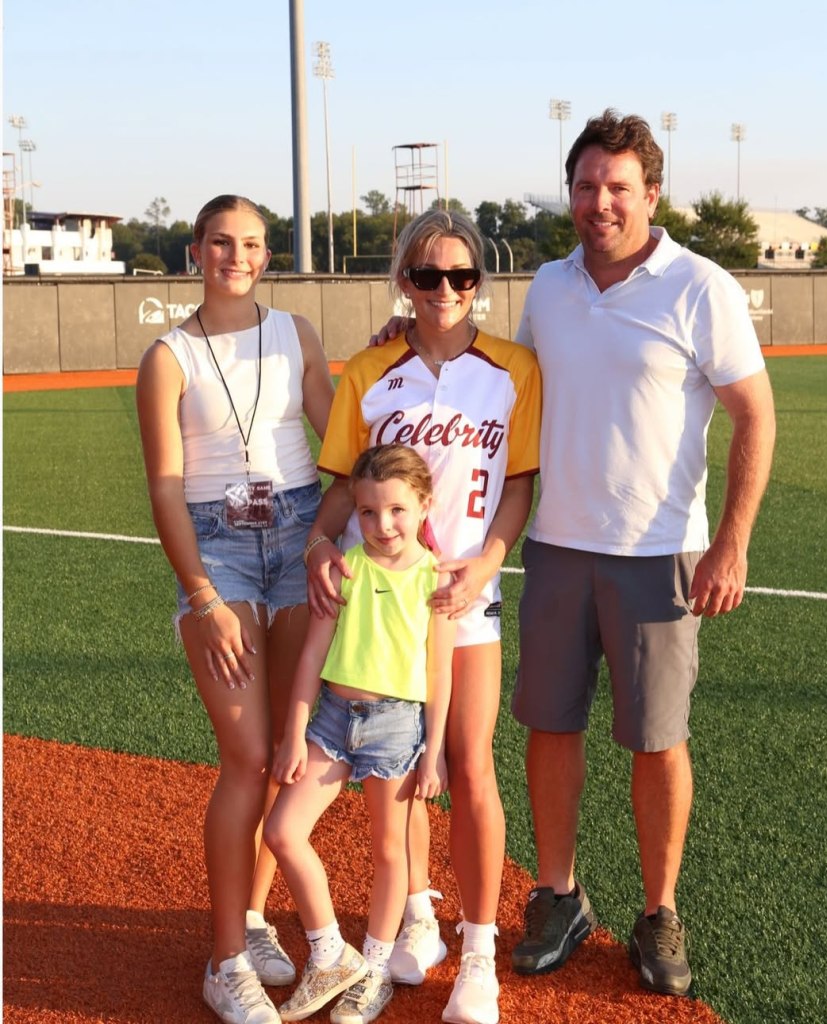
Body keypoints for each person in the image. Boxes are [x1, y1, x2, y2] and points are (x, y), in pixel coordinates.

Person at [509, 110, 776, 997]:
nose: (599, 202)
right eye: (585, 185)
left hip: (658, 552)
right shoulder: (546, 286)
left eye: (618, 186)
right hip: (554, 546)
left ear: (650, 194)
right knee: (550, 725)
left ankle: (658, 910)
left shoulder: (700, 286)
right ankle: (559, 893)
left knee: (656, 740)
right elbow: (509, 384)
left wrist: (729, 541)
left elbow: (754, 416)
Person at [304, 208, 542, 1024]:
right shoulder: (369, 370)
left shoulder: (514, 367)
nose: (446, 290)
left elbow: (517, 483)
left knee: (469, 765)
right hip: (384, 602)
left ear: (480, 280)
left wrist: (488, 560)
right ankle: (418, 923)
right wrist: (314, 543)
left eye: (462, 276)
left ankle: (478, 953)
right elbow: (343, 482)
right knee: (400, 779)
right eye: (427, 274)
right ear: (403, 279)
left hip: (460, 596)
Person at [136, 194, 335, 1024]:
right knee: (248, 753)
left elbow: (342, 442)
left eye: (252, 243)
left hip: (296, 533)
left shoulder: (295, 333)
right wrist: (205, 597)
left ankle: (252, 922)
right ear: (196, 251)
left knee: (285, 752)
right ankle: (225, 963)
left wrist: (328, 536)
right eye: (222, 242)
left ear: (266, 252)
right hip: (217, 546)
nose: (237, 255)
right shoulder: (168, 356)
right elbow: (165, 487)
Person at [264, 443, 456, 1024]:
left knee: (387, 851)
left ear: (424, 505)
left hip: (397, 728)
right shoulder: (345, 566)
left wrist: (435, 754)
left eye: (396, 510)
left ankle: (373, 971)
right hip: (331, 721)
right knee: (282, 830)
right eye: (368, 512)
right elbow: (310, 658)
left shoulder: (436, 581)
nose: (382, 524)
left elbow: (438, 672)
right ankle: (330, 953)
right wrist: (295, 733)